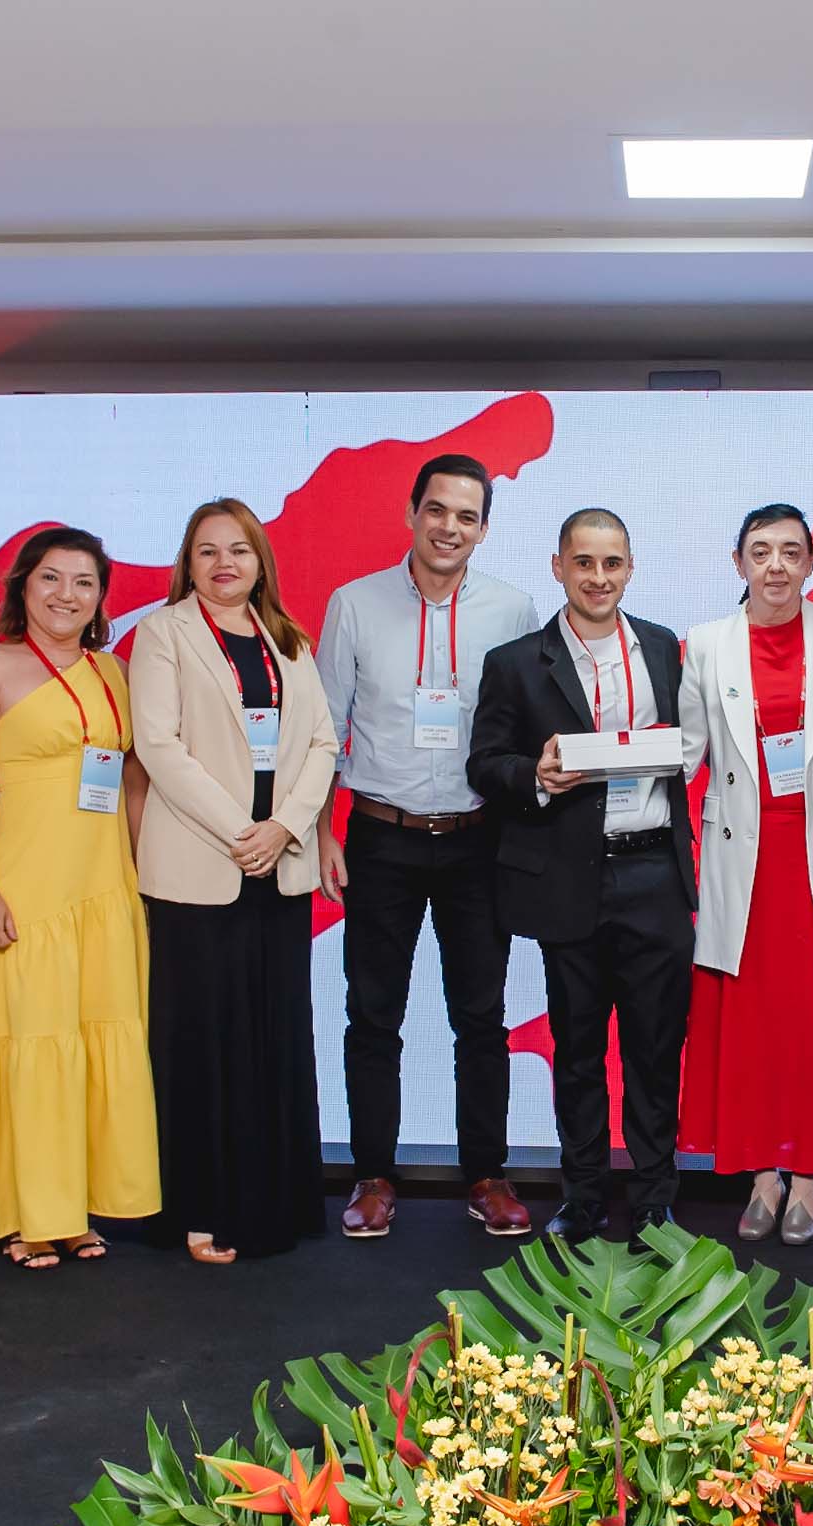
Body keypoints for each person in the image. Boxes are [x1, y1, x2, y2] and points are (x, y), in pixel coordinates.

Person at [314, 454, 540, 1239]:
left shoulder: (513, 609)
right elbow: (323, 727)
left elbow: (525, 727)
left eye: (466, 516)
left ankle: (487, 1175)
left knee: (481, 1015)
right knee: (373, 1014)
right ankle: (373, 1176)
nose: (449, 527)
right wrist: (322, 831)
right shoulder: (354, 604)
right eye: (437, 510)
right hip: (382, 836)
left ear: (484, 528)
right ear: (412, 512)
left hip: (479, 839)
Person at [0, 527, 160, 1268]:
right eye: (51, 578)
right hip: (25, 888)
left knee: (91, 1046)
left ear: (101, 598)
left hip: (104, 890)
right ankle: (29, 1215)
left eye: (84, 582)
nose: (67, 595)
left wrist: (141, 881)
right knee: (34, 1044)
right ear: (23, 587)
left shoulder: (114, 672)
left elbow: (133, 784)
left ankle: (76, 1209)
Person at [467, 508, 694, 1244]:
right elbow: (484, 763)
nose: (599, 578)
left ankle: (656, 1198)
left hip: (654, 872)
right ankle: (585, 1195)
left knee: (655, 1049)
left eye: (612, 563)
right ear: (558, 566)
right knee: (578, 1051)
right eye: (585, 562)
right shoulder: (515, 662)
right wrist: (533, 774)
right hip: (568, 879)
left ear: (630, 568)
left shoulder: (663, 647)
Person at [132, 499, 340, 1263]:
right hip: (199, 867)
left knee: (273, 1037)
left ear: (261, 562)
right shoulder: (162, 633)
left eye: (239, 550)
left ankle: (274, 1205)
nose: (225, 564)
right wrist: (240, 830)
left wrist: (284, 827)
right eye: (208, 551)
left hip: (278, 870)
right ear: (188, 564)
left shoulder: (289, 639)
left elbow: (322, 742)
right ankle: (198, 1209)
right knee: (198, 1042)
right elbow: (159, 745)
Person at [678, 504, 813, 1245]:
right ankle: (762, 1174)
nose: (776, 566)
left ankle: (809, 1176)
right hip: (745, 857)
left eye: (791, 552)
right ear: (738, 562)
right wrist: (603, 765)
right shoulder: (707, 644)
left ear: (812, 562)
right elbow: (684, 753)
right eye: (760, 551)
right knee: (755, 1025)